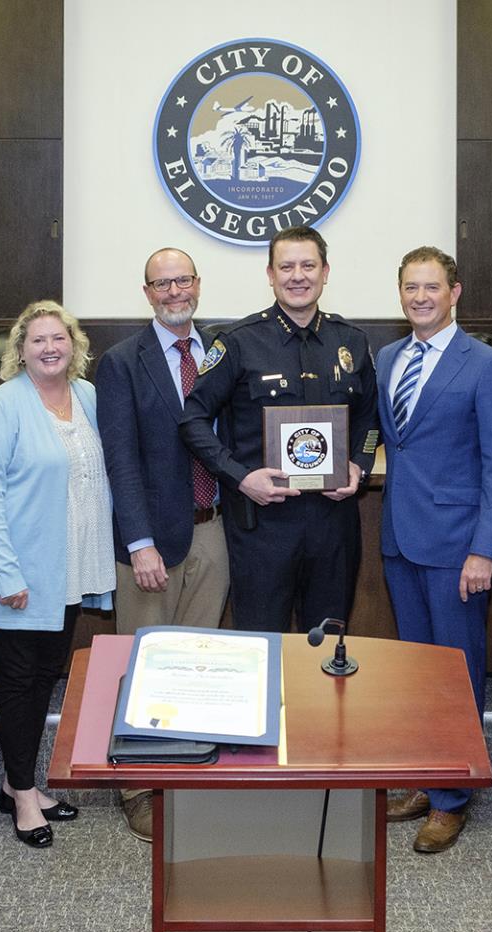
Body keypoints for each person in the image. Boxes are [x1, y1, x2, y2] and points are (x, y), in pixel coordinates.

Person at [376, 246, 492, 854]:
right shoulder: (387, 357)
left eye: (431, 287)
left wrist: (486, 551)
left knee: (456, 676)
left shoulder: (487, 366)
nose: (420, 297)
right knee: (415, 675)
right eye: (410, 287)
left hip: (458, 547)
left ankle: (453, 797)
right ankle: (423, 779)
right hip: (400, 541)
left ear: (455, 292)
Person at [0, 300, 112, 848]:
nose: (50, 348)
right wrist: (7, 575)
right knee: (20, 683)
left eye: (60, 339)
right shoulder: (4, 405)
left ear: (75, 346)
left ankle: (13, 779)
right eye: (37, 340)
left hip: (67, 568)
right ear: (18, 350)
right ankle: (24, 794)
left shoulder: (90, 397)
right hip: (20, 575)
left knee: (46, 675)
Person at [179, 225, 379, 632]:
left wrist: (359, 464)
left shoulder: (352, 341)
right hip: (263, 525)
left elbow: (369, 419)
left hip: (333, 521)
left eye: (308, 265)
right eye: (286, 266)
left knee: (328, 641)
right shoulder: (238, 341)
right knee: (260, 643)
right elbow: (192, 418)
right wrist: (240, 476)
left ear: (326, 271)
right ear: (270, 275)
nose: (297, 276)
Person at [96, 247, 227, 842]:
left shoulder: (222, 352)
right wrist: (139, 542)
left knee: (200, 667)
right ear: (147, 292)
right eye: (162, 283)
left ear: (198, 284)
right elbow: (120, 459)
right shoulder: (123, 361)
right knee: (141, 666)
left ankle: (188, 775)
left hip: (214, 529)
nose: (175, 291)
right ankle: (138, 787)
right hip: (151, 541)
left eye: (183, 280)